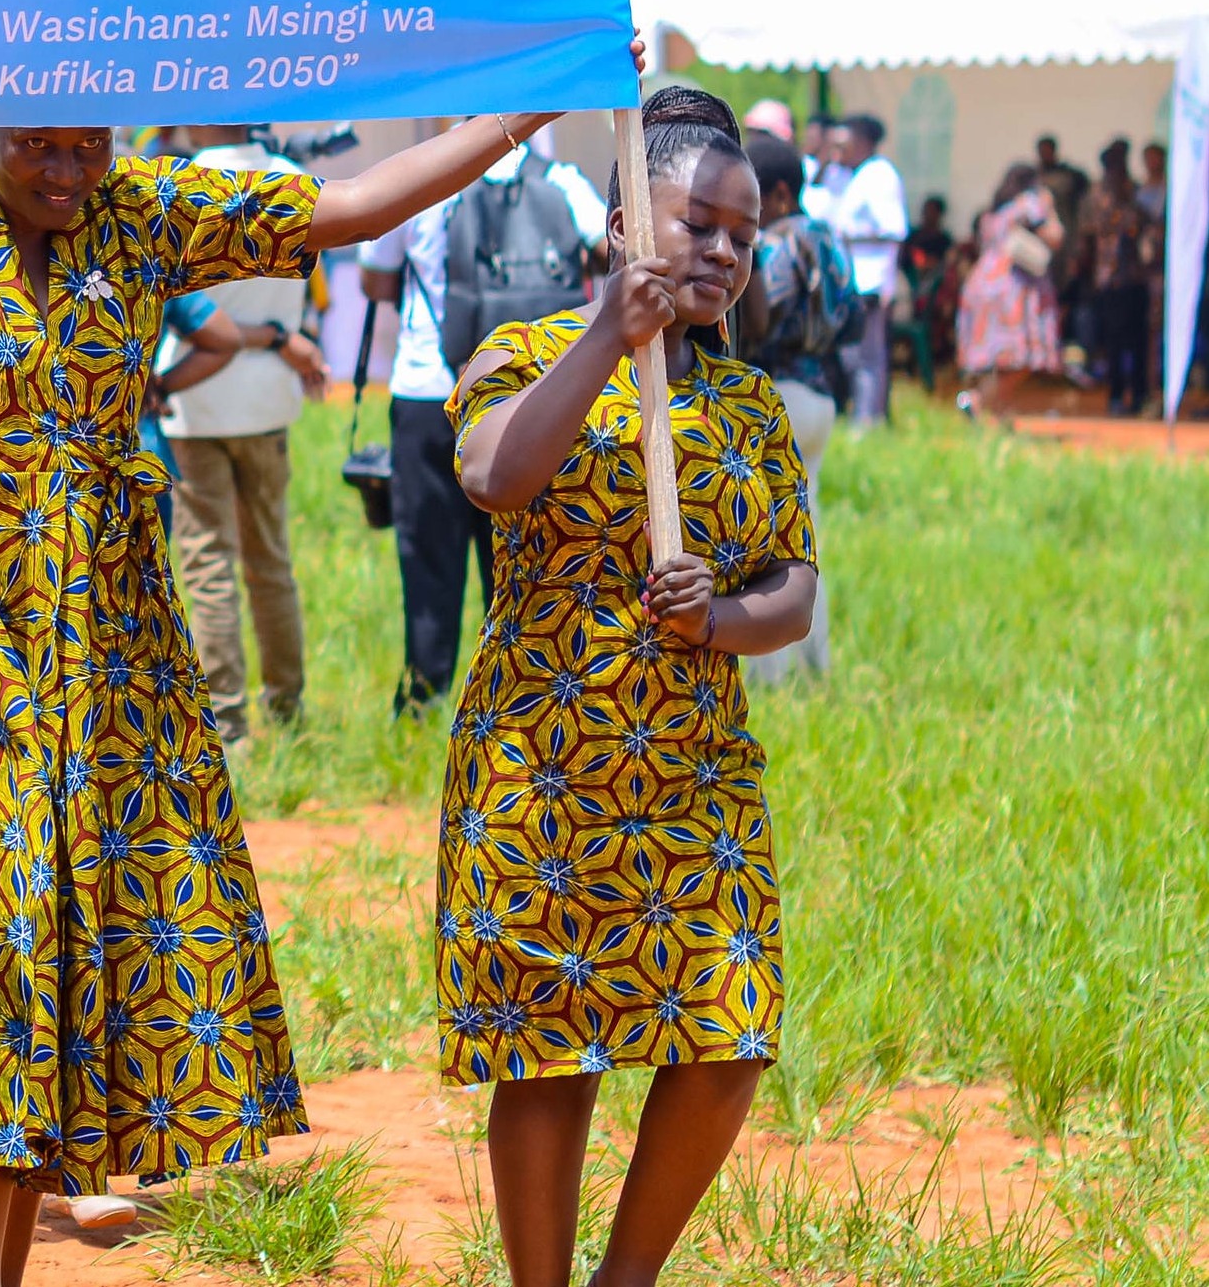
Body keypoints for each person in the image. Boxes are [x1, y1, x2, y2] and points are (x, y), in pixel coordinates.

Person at [0, 97, 611, 1283]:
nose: (66, 170)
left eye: (87, 144)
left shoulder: (144, 210)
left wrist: (526, 105)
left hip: (104, 648)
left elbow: (357, 205)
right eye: (37, 146)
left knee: (64, 954)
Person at [443, 87, 815, 1287]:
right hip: (541, 772)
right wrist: (607, 334)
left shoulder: (749, 407)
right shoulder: (524, 353)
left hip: (696, 774)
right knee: (553, 1054)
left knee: (728, 1032)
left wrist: (715, 618)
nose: (722, 251)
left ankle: (627, 1279)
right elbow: (495, 477)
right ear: (622, 226)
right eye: (696, 224)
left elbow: (794, 593)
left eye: (741, 234)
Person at [358, 128, 606, 711]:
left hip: (431, 389)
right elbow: (608, 253)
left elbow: (375, 278)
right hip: (533, 399)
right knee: (529, 556)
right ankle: (531, 697)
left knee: (430, 558)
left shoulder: (426, 180)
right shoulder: (564, 183)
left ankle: (424, 697)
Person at [158, 127, 327, 741]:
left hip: (194, 394)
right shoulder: (294, 182)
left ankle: (228, 721)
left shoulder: (179, 186)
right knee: (270, 559)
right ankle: (287, 707)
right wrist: (278, 336)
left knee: (207, 564)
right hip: (268, 393)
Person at [728, 133, 851, 682]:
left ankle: (769, 671)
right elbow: (855, 316)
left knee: (767, 539)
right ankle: (814, 661)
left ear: (777, 194)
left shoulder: (776, 245)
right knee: (807, 534)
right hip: (822, 392)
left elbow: (760, 317)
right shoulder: (828, 236)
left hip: (782, 395)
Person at [815, 115, 905, 424]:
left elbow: (894, 229)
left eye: (846, 142)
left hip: (870, 281)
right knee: (851, 355)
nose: (840, 148)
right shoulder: (851, 174)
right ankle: (859, 416)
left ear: (863, 141)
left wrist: (847, 235)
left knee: (868, 357)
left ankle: (868, 421)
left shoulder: (881, 174)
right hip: (850, 281)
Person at [956, 164, 1065, 417]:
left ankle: (995, 411)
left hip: (983, 286)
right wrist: (1051, 210)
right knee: (1021, 358)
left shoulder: (996, 210)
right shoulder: (1032, 203)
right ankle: (978, 401)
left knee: (1001, 357)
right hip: (1014, 289)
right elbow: (1055, 236)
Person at [1083, 142, 1157, 415]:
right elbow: (1092, 233)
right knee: (1114, 341)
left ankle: (1138, 395)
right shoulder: (1099, 195)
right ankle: (1116, 395)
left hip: (1135, 279)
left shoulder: (1132, 192)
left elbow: (1145, 225)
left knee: (1138, 340)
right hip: (1111, 281)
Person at [896, 196, 956, 393]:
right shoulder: (912, 236)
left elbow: (944, 266)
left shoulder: (944, 240)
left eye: (932, 211)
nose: (927, 215)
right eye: (925, 210)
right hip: (907, 291)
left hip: (925, 298)